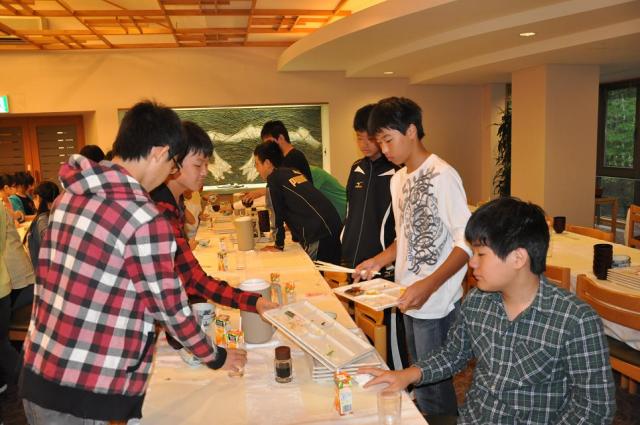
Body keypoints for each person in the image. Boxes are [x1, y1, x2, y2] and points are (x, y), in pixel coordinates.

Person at [20, 101, 246, 423]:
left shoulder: (68, 196)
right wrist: (216, 357)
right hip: (84, 388)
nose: (170, 173)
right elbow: (171, 309)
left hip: (39, 370)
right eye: (172, 164)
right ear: (158, 153)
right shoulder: (144, 218)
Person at [360, 197, 617, 424]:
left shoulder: (575, 320)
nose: (471, 263)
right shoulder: (477, 301)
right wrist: (406, 375)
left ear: (518, 258)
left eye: (481, 254)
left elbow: (594, 409)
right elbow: (454, 354)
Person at [354, 97, 471, 416]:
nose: (384, 150)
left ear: (411, 130)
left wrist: (429, 285)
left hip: (436, 300)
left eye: (388, 140)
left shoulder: (442, 174)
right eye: (379, 142)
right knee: (420, 379)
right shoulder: (398, 180)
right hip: (408, 295)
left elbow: (467, 241)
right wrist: (379, 260)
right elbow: (403, 237)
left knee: (435, 388)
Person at [150, 121, 277, 353]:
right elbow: (193, 279)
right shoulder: (159, 209)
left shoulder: (175, 200)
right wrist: (253, 301)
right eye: (198, 164)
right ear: (173, 161)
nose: (205, 172)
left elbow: (188, 276)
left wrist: (254, 301)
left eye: (207, 164)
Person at [253, 141, 342, 263]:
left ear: (267, 163)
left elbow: (276, 214)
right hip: (333, 224)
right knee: (325, 268)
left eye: (257, 164)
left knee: (311, 270)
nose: (256, 169)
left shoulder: (274, 179)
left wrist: (278, 245)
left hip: (319, 232)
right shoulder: (290, 172)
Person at [341, 103, 398, 270]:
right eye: (359, 138)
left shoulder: (397, 172)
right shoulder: (356, 168)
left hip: (381, 262)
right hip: (352, 257)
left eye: (370, 138)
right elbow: (350, 211)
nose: (364, 144)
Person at [242, 120, 314, 203]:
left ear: (281, 138)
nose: (268, 147)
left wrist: (259, 192)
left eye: (269, 142)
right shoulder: (281, 159)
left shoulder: (294, 157)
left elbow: (285, 189)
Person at [24, 181, 60, 270]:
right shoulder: (57, 214)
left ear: (39, 198)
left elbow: (50, 246)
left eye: (35, 197)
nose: (34, 201)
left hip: (45, 269)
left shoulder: (42, 219)